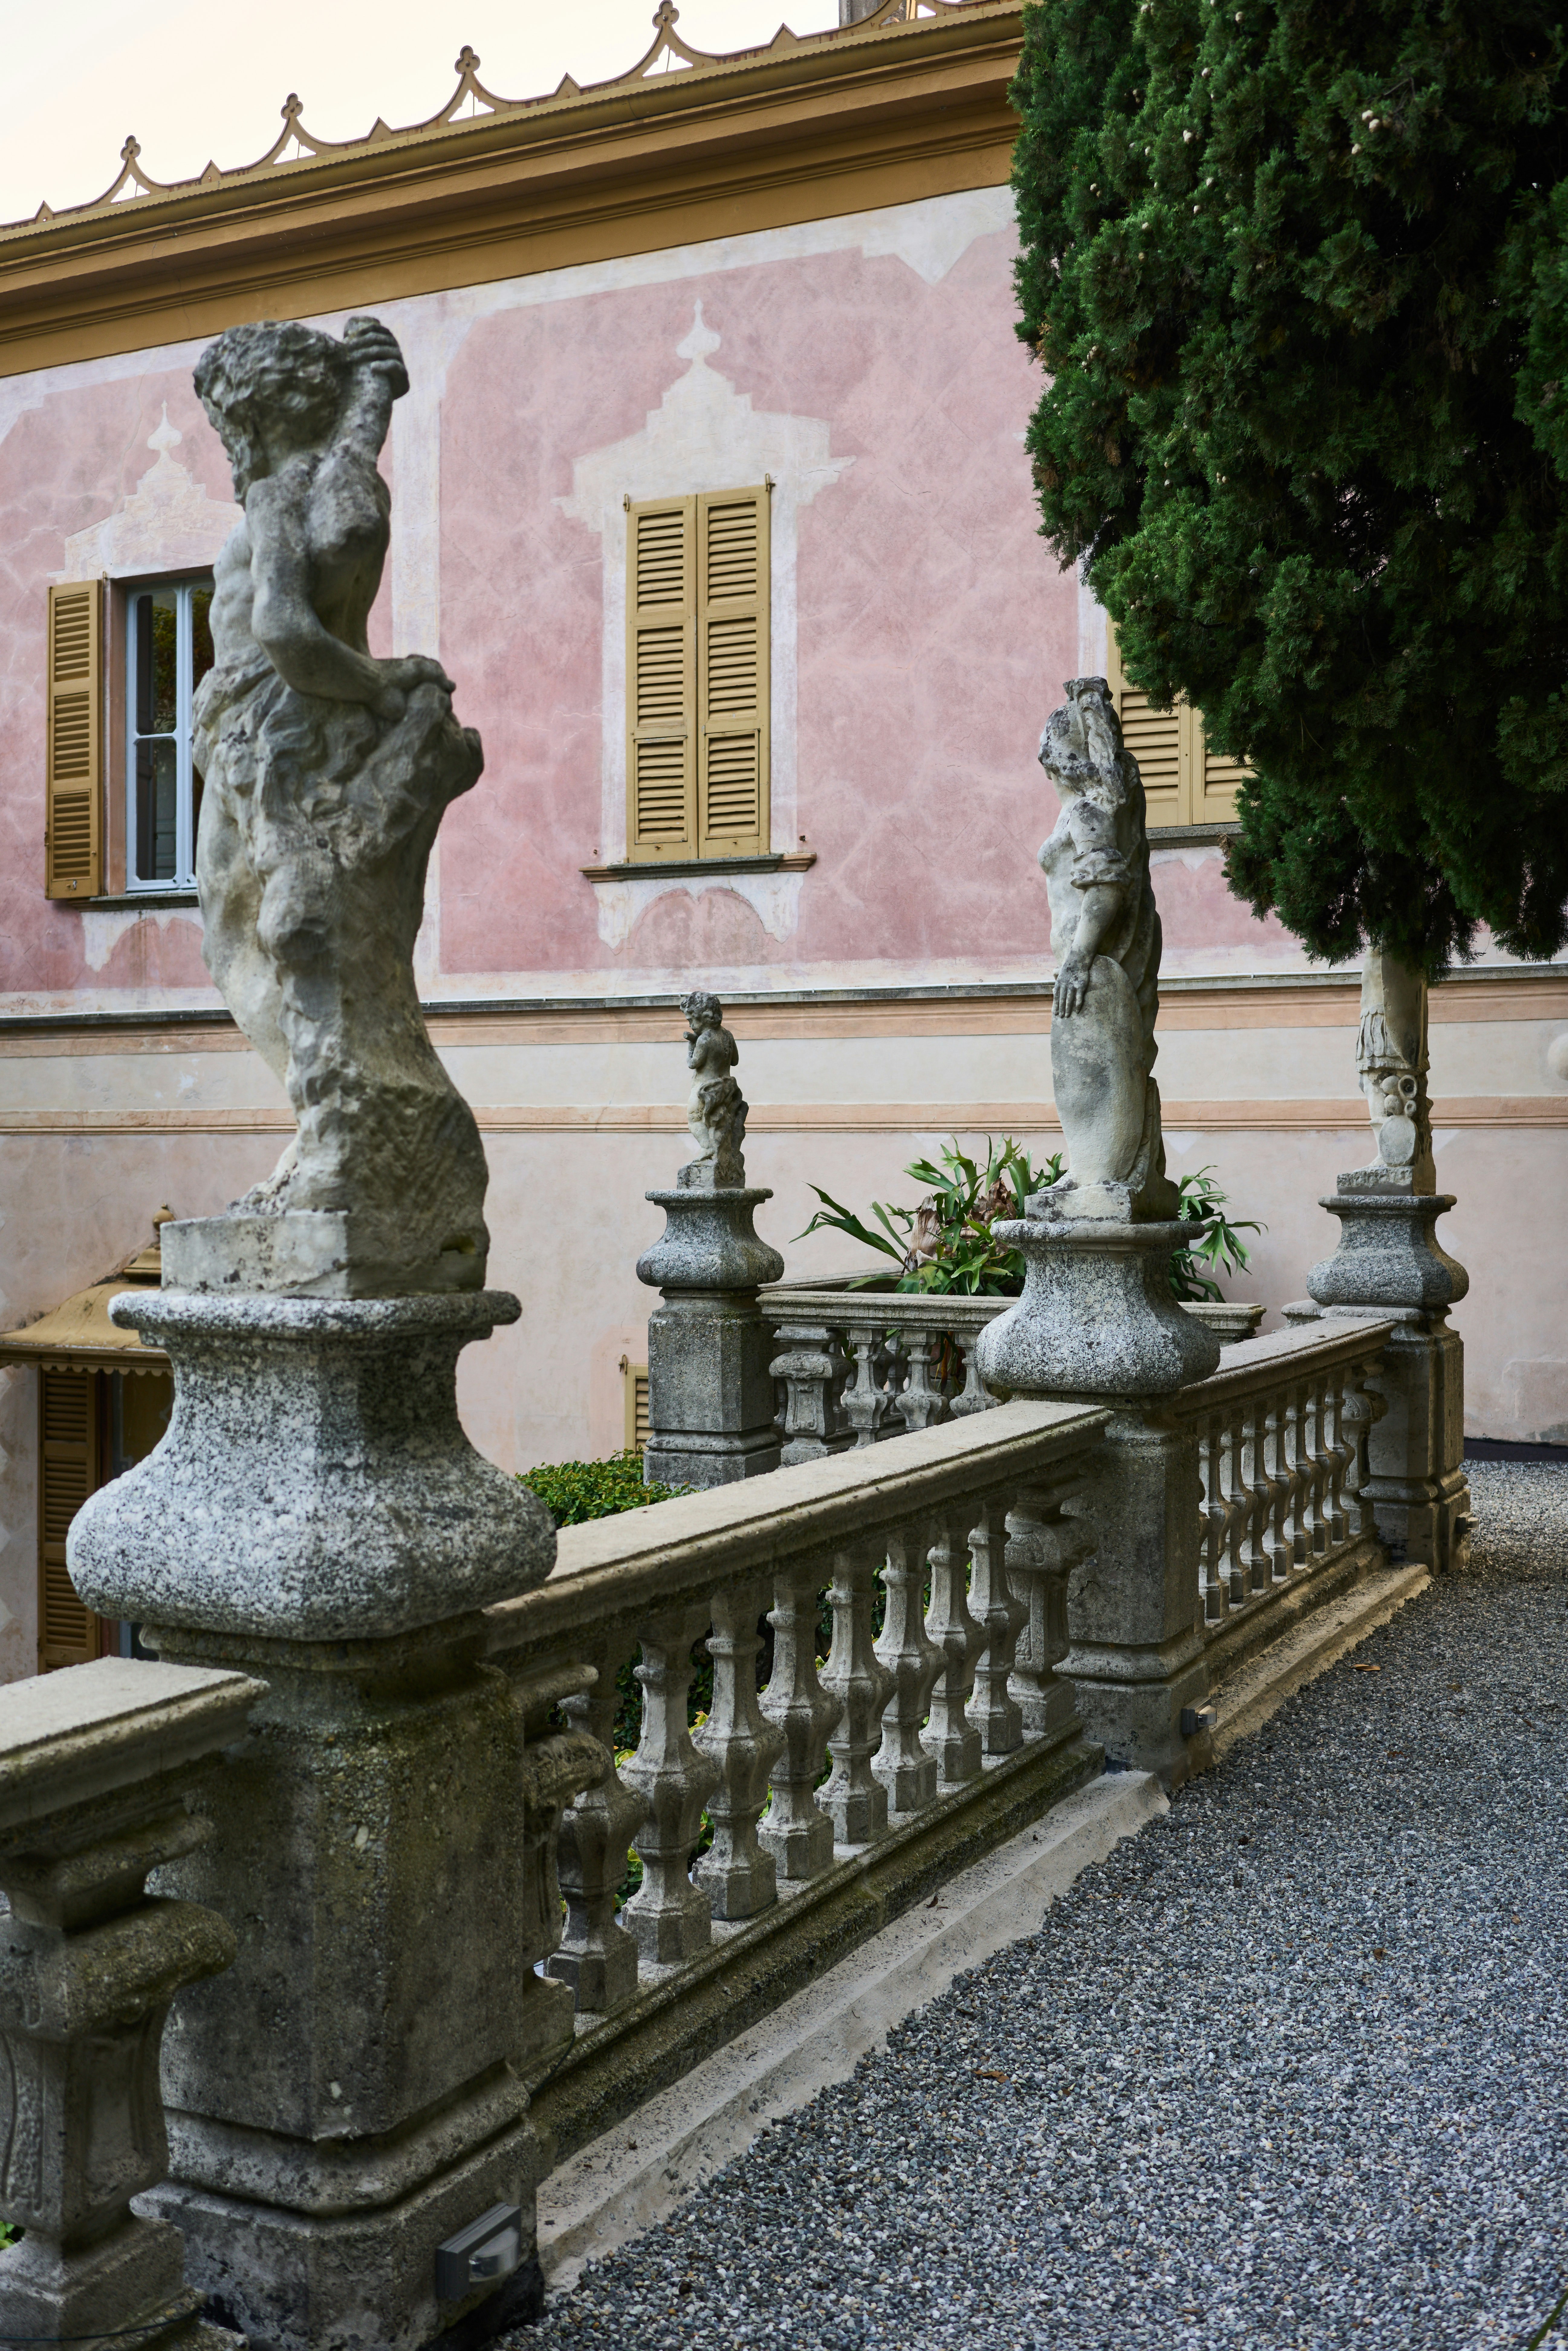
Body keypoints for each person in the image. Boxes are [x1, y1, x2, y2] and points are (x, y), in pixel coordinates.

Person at [1036, 675, 1180, 1221]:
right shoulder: (1101, 809)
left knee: (1085, 1071)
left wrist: (1078, 957)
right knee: (1088, 1070)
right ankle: (1092, 1168)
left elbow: (1107, 882)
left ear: (1057, 763)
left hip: (1090, 969)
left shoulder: (1082, 812)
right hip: (1094, 967)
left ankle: (1099, 1172)